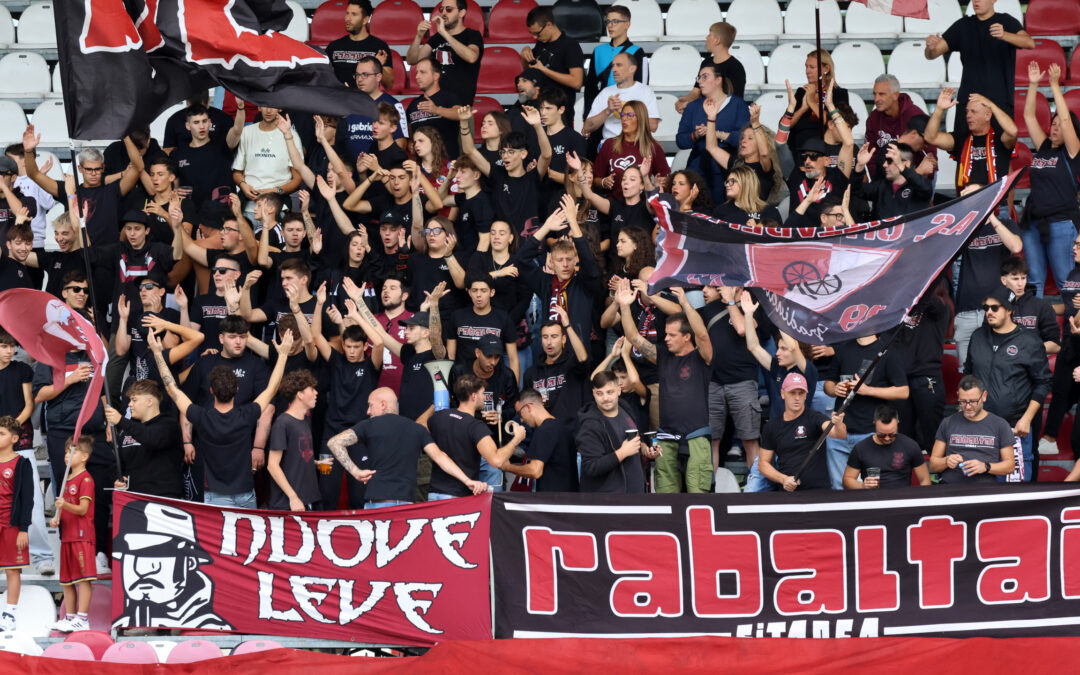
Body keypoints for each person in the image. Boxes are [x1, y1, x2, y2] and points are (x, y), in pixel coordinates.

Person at [153, 328, 291, 509]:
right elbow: (272, 389)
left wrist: (157, 354)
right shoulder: (247, 415)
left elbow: (172, 389)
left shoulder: (201, 417)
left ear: (211, 391)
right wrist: (283, 355)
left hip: (214, 496)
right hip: (245, 493)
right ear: (237, 390)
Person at [618, 283, 712, 493]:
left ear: (687, 337)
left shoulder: (702, 356)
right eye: (666, 334)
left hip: (696, 435)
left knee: (698, 495)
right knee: (666, 498)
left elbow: (703, 335)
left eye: (671, 335)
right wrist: (624, 307)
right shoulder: (662, 356)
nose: (665, 338)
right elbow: (634, 338)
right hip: (666, 438)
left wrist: (685, 304)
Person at [327, 387, 484, 508]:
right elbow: (440, 457)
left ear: (382, 404)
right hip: (406, 506)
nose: (368, 411)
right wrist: (467, 480)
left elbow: (334, 442)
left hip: (376, 502)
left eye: (370, 405)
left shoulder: (369, 425)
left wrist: (355, 472)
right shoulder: (417, 429)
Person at [964, 285, 1052, 481]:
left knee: (1013, 493)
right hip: (979, 426)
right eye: (986, 308)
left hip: (1014, 427)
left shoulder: (1029, 341)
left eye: (995, 308)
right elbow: (968, 374)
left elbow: (1044, 382)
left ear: (1009, 310)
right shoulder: (978, 336)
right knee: (978, 489)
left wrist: (1027, 419)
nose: (989, 312)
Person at [111, 501, 229, 629]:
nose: (141, 569)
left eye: (157, 554)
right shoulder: (122, 625)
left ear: (190, 562)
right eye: (131, 555)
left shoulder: (211, 628)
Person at [923, 0, 1032, 135]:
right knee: (964, 151)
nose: (976, 1)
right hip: (968, 103)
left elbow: (1029, 43)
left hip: (999, 103)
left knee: (999, 153)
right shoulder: (963, 25)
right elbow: (932, 54)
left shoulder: (1006, 21)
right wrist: (929, 47)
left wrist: (1005, 35)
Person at [1022, 61, 1080, 297]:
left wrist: (1055, 86)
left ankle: (1073, 330)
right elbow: (1028, 116)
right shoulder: (1044, 147)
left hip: (1061, 224)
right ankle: (1032, 334)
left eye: (1059, 126)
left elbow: (1066, 120)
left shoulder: (1073, 151)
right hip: (1033, 224)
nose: (1055, 128)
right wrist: (1034, 84)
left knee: (1066, 281)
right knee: (1033, 280)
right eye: (1052, 124)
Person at [823, 333, 910, 490]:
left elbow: (903, 391)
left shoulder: (887, 352)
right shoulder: (843, 348)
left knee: (870, 489)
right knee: (838, 488)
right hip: (840, 430)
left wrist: (868, 390)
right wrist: (835, 388)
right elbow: (828, 384)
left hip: (870, 433)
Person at [427, 374, 527, 499]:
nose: (484, 398)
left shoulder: (438, 417)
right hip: (458, 496)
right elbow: (496, 460)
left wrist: (433, 406)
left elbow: (419, 425)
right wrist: (517, 439)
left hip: (433, 494)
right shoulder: (475, 426)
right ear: (473, 396)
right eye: (482, 393)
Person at [457, 105, 551, 235]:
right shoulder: (497, 174)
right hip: (503, 244)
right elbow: (469, 150)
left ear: (523, 154)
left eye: (511, 152)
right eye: (503, 152)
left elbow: (546, 155)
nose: (505, 156)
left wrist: (537, 126)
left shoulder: (532, 177)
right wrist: (463, 122)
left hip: (529, 245)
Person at [758, 373, 847, 492]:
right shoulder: (772, 426)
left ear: (806, 395)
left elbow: (838, 434)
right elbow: (763, 464)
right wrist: (783, 479)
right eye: (792, 393)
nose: (797, 398)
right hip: (789, 492)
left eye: (801, 393)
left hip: (818, 491)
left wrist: (839, 423)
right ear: (783, 393)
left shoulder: (815, 418)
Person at [891, 282, 951, 452]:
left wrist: (917, 281)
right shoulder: (899, 310)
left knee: (933, 432)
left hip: (927, 374)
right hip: (900, 377)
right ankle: (906, 476)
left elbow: (928, 301)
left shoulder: (940, 306)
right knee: (902, 434)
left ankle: (936, 474)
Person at [678, 63, 750, 202]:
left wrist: (715, 133)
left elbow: (742, 139)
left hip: (726, 169)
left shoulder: (738, 105)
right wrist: (696, 135)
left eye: (705, 77)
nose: (699, 81)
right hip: (697, 169)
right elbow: (680, 140)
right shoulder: (693, 106)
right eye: (699, 78)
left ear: (718, 80)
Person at [576, 371, 658, 493]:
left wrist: (645, 449)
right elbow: (591, 467)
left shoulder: (624, 407)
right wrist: (622, 453)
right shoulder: (590, 424)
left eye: (610, 392)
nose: (605, 398)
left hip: (635, 496)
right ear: (593, 394)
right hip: (609, 502)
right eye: (599, 393)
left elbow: (633, 440)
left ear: (619, 390)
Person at [923, 88, 1017, 191]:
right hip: (968, 202)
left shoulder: (1000, 139)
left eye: (973, 112)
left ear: (987, 115)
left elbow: (1013, 131)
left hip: (996, 203)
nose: (968, 115)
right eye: (967, 111)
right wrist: (939, 109)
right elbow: (929, 137)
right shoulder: (960, 139)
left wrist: (992, 106)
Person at [930, 375, 1016, 483]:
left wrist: (986, 467)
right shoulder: (948, 422)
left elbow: (1010, 466)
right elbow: (933, 464)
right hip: (950, 487)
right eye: (963, 401)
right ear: (958, 396)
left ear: (984, 396)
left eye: (973, 401)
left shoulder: (1000, 424)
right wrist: (946, 461)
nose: (968, 406)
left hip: (984, 489)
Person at [48, 435, 95, 633]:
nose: (67, 455)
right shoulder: (67, 478)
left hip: (82, 536)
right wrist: (58, 517)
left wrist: (65, 504)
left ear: (84, 456)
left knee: (83, 579)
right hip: (67, 535)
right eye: (66, 451)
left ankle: (83, 618)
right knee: (67, 579)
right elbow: (66, 509)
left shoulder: (86, 479)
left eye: (72, 451)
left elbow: (83, 509)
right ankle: (70, 616)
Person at [106, 380, 184, 499]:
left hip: (163, 500)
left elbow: (152, 439)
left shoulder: (169, 425)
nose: (130, 404)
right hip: (133, 501)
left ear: (149, 401)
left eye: (134, 400)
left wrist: (121, 421)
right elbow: (115, 463)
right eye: (130, 400)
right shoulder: (128, 429)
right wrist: (117, 478)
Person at [585, 5, 648, 136]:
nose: (610, 26)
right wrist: (587, 117)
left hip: (626, 115)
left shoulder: (637, 52)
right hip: (601, 114)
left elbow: (642, 88)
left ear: (627, 24)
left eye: (615, 21)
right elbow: (590, 88)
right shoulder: (598, 51)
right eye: (608, 21)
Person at [701, 103, 782, 205]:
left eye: (750, 138)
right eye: (743, 137)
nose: (743, 141)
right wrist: (711, 117)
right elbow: (711, 147)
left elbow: (765, 154)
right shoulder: (735, 163)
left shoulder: (764, 167)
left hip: (755, 215)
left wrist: (755, 123)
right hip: (734, 213)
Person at [406, 0, 483, 105]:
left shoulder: (472, 35)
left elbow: (471, 57)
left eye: (449, 9)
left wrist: (445, 34)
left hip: (461, 107)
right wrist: (418, 36)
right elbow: (412, 60)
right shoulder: (437, 38)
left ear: (461, 13)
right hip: (435, 105)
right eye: (441, 9)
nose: (444, 13)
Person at [524, 304, 590, 423]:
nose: (549, 342)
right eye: (545, 337)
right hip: (545, 432)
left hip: (572, 432)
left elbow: (583, 358)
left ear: (563, 339)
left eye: (554, 337)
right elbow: (526, 408)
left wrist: (567, 326)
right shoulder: (531, 373)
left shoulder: (572, 364)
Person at [521, 6, 584, 129]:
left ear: (549, 24)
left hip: (559, 113)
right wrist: (524, 56)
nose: (535, 37)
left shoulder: (570, 45)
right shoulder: (541, 44)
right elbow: (528, 73)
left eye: (537, 33)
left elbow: (577, 82)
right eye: (532, 34)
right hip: (539, 110)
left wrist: (545, 70)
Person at [447, 273, 520, 380]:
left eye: (483, 290)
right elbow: (450, 356)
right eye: (475, 290)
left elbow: (513, 358)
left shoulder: (503, 317)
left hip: (495, 379)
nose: (478, 295)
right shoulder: (457, 316)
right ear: (469, 292)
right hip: (464, 381)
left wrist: (514, 390)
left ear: (492, 292)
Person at [267, 370, 321, 511]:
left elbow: (295, 456)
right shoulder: (282, 423)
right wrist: (293, 497)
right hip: (288, 505)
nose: (316, 393)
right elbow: (272, 465)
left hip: (307, 500)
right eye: (312, 389)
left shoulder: (305, 420)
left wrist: (314, 463)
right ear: (300, 395)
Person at [863, 74, 935, 179]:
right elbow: (871, 157)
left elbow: (930, 158)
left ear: (895, 95)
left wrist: (914, 181)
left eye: (882, 94)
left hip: (915, 179)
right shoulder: (873, 118)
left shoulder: (915, 115)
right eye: (875, 94)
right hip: (885, 178)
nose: (876, 99)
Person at [505, 388, 578, 492]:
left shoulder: (544, 430)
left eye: (520, 414)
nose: (521, 420)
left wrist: (508, 467)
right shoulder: (564, 427)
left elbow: (535, 471)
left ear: (528, 407)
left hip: (551, 501)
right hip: (570, 496)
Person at [843, 406, 931, 489]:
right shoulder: (861, 448)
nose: (887, 438)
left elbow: (925, 480)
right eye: (881, 435)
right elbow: (847, 480)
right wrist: (862, 485)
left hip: (902, 498)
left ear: (897, 422)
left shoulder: (910, 445)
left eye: (892, 434)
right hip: (872, 499)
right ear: (874, 423)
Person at [232, 106, 303, 210]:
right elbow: (237, 172)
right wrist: (243, 186)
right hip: (247, 206)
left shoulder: (291, 135)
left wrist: (276, 190)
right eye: (265, 105)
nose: (268, 110)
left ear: (280, 109)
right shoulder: (246, 132)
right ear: (259, 107)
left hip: (277, 206)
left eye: (273, 106)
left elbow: (298, 179)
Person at [594, 100, 670, 195]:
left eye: (629, 115)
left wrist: (658, 185)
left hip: (643, 205)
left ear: (641, 118)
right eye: (622, 115)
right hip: (614, 205)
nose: (624, 119)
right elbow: (595, 179)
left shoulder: (653, 147)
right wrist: (604, 182)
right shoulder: (609, 144)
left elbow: (665, 181)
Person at [583, 52, 659, 144]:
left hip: (637, 145)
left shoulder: (645, 91)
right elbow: (586, 128)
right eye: (613, 66)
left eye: (619, 65)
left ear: (632, 69)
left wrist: (623, 112)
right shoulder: (606, 92)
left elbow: (653, 126)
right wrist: (608, 111)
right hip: (610, 145)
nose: (614, 69)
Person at [342, 57, 407, 162]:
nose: (359, 79)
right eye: (357, 75)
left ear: (378, 77)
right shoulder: (349, 104)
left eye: (365, 75)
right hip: (351, 175)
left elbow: (400, 144)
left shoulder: (394, 105)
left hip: (381, 173)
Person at [0, 416, 32, 631]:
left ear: (13, 438)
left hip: (11, 524)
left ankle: (9, 616)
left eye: (1, 433)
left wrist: (23, 529)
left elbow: (27, 499)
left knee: (12, 571)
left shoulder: (22, 463)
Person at [675, 21, 745, 112]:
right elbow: (696, 91)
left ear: (717, 40)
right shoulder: (706, 62)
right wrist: (687, 101)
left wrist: (693, 106)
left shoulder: (735, 67)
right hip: (704, 114)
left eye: (709, 35)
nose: (706, 37)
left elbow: (735, 101)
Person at [852, 141, 934, 219]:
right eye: (885, 161)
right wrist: (859, 167)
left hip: (911, 233)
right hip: (883, 233)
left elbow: (925, 188)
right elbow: (856, 189)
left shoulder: (919, 186)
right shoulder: (881, 186)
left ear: (906, 163)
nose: (884, 165)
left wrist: (901, 167)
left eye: (889, 161)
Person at [326, 0, 393, 89]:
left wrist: (378, 65)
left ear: (365, 19)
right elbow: (323, 76)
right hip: (340, 99)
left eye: (354, 14)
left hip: (367, 100)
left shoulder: (379, 47)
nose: (348, 18)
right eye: (347, 13)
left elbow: (389, 85)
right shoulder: (334, 46)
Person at [404, 58, 462, 159]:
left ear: (436, 76)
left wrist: (436, 110)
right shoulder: (413, 104)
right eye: (416, 73)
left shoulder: (449, 97)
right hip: (421, 165)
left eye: (423, 72)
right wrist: (409, 141)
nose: (417, 77)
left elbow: (460, 114)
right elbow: (409, 129)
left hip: (447, 163)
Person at [1002, 257, 1060, 356]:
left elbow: (1055, 345)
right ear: (1004, 280)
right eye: (1015, 279)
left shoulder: (1041, 306)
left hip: (1034, 366)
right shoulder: (995, 306)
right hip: (1004, 366)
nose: (1020, 283)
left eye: (1023, 278)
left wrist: (1027, 349)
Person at [712, 166, 782, 226]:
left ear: (746, 183)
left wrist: (756, 231)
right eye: (727, 181)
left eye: (732, 181)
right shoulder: (720, 211)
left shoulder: (769, 211)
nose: (727, 185)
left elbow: (778, 240)